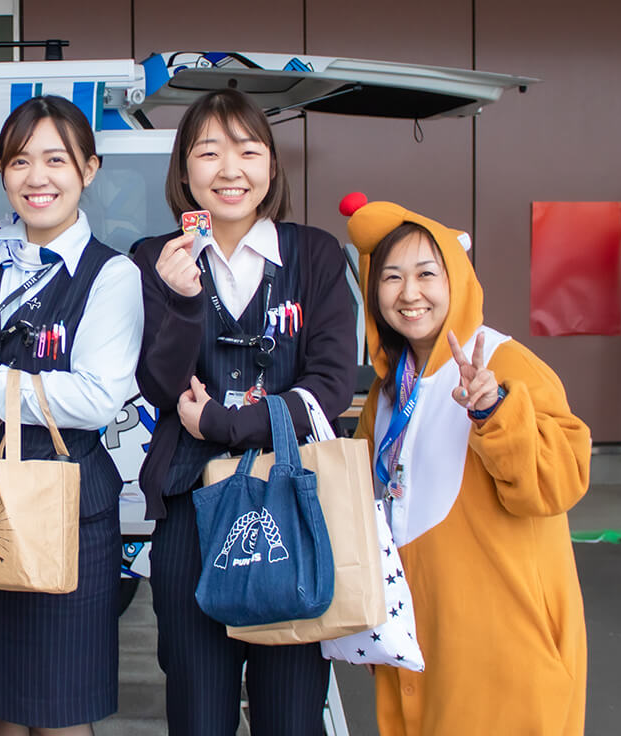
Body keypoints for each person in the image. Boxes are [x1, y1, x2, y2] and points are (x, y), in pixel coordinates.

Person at [0, 95, 143, 735]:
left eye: (55, 160)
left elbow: (97, 397)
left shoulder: (111, 275)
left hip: (63, 516)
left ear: (88, 169)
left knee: (60, 708)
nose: (36, 178)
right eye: (18, 162)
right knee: (2, 702)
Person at [131, 88, 356, 736]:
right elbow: (152, 385)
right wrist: (178, 302)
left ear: (272, 167)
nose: (229, 169)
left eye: (247, 150)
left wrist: (226, 426)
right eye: (209, 151)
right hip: (189, 510)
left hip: (295, 495)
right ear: (183, 171)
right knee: (198, 710)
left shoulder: (314, 254)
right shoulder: (153, 259)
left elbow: (329, 390)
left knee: (290, 711)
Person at [344, 196, 589, 735]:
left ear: (456, 276)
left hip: (502, 640)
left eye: (426, 273)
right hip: (418, 635)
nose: (409, 293)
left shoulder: (504, 360)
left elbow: (557, 482)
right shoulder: (387, 390)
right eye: (390, 277)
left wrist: (494, 410)